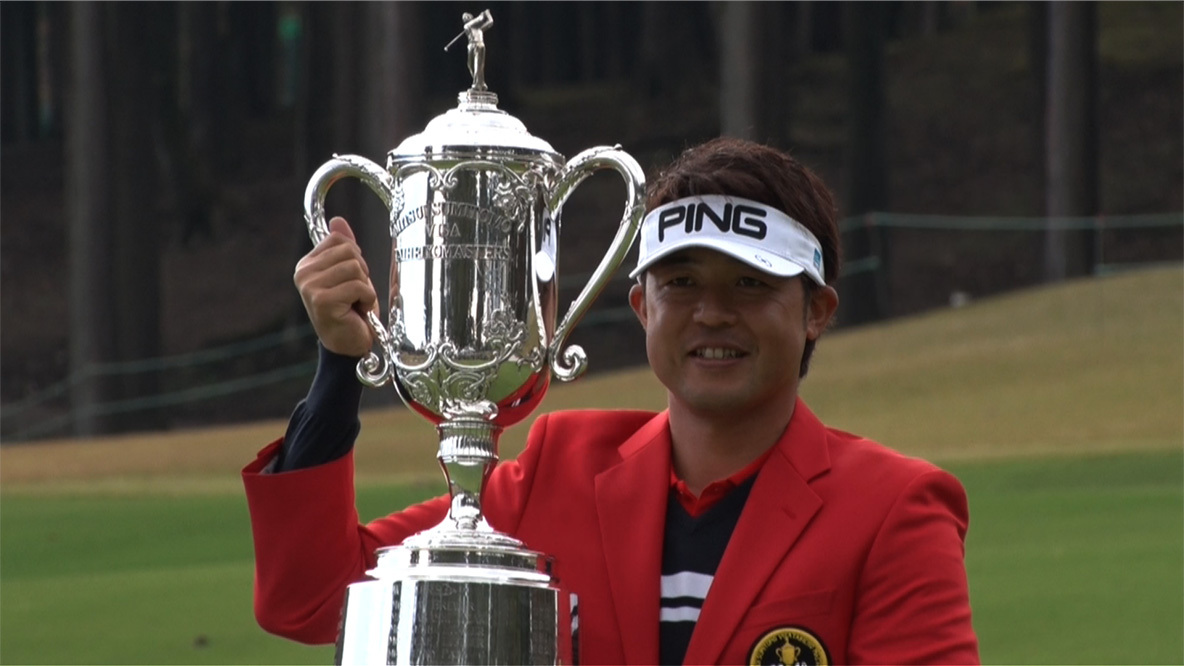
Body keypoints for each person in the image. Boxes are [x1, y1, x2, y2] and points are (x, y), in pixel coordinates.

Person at [243, 137, 980, 665]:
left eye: (751, 284)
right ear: (641, 307)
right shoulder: (561, 468)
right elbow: (310, 596)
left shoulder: (893, 509)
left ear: (816, 311)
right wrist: (341, 366)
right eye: (681, 283)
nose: (712, 313)